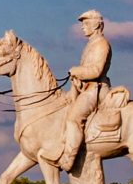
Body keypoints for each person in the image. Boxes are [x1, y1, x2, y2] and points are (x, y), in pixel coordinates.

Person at [51, 10, 126, 173]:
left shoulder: (101, 44)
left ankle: (68, 159)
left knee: (73, 119)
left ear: (97, 24)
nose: (82, 28)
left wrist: (77, 70)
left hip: (96, 90)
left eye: (86, 24)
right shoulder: (91, 44)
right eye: (82, 24)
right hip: (86, 88)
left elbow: (96, 71)